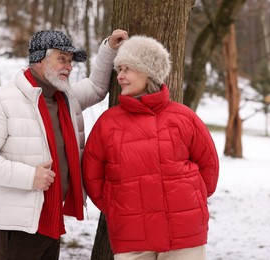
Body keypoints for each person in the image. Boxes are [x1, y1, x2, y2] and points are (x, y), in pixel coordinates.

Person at [0, 29, 128, 260]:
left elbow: (97, 88)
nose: (69, 66)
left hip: (50, 218)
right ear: (39, 59)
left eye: (70, 61)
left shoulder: (66, 97)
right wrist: (29, 176)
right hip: (16, 225)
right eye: (62, 59)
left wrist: (110, 49)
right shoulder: (0, 101)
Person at [82, 35, 219, 260]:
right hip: (131, 234)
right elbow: (93, 176)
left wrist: (191, 197)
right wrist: (117, 207)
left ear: (150, 72)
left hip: (184, 232)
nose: (121, 76)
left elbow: (209, 167)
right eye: (120, 69)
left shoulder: (183, 117)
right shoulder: (108, 122)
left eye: (128, 69)